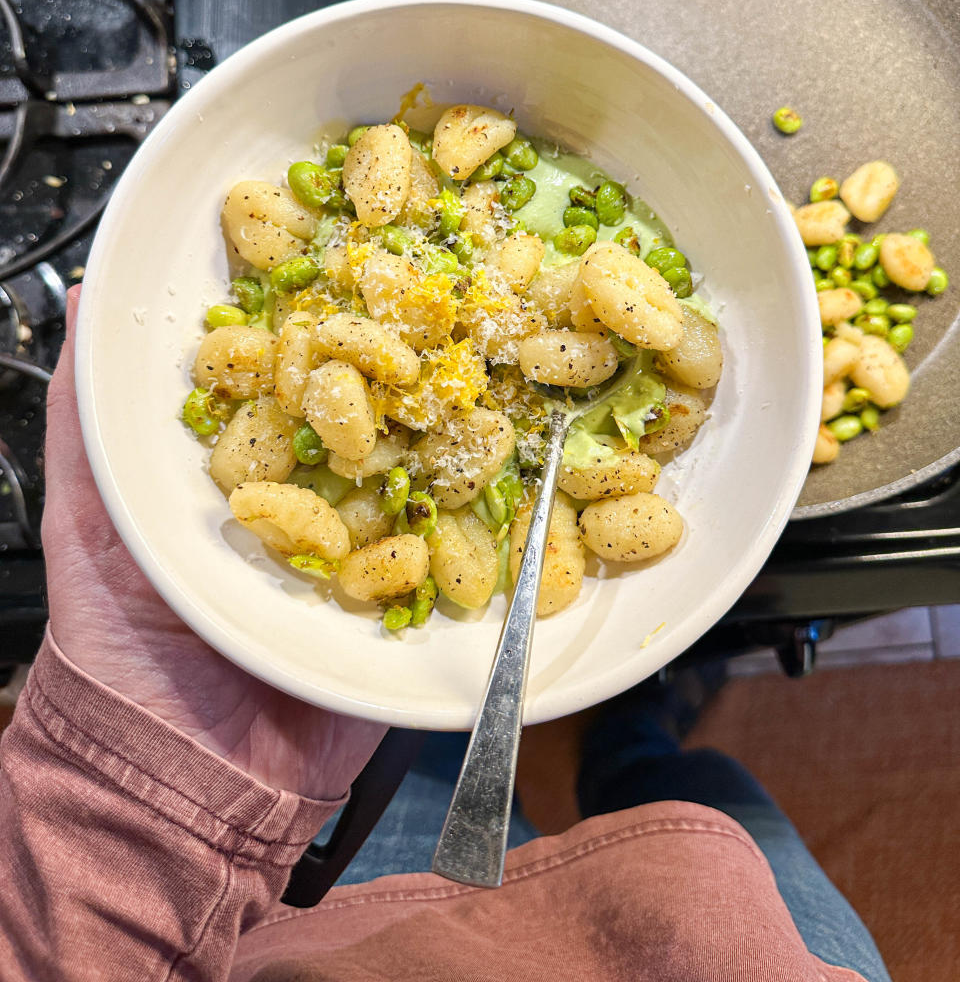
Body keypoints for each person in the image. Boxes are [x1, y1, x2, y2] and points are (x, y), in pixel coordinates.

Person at [0, 288, 892, 982]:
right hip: (729, 955)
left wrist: (134, 794)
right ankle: (637, 738)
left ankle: (624, 729)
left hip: (328, 936)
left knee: (428, 772)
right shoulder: (330, 420)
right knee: (708, 800)